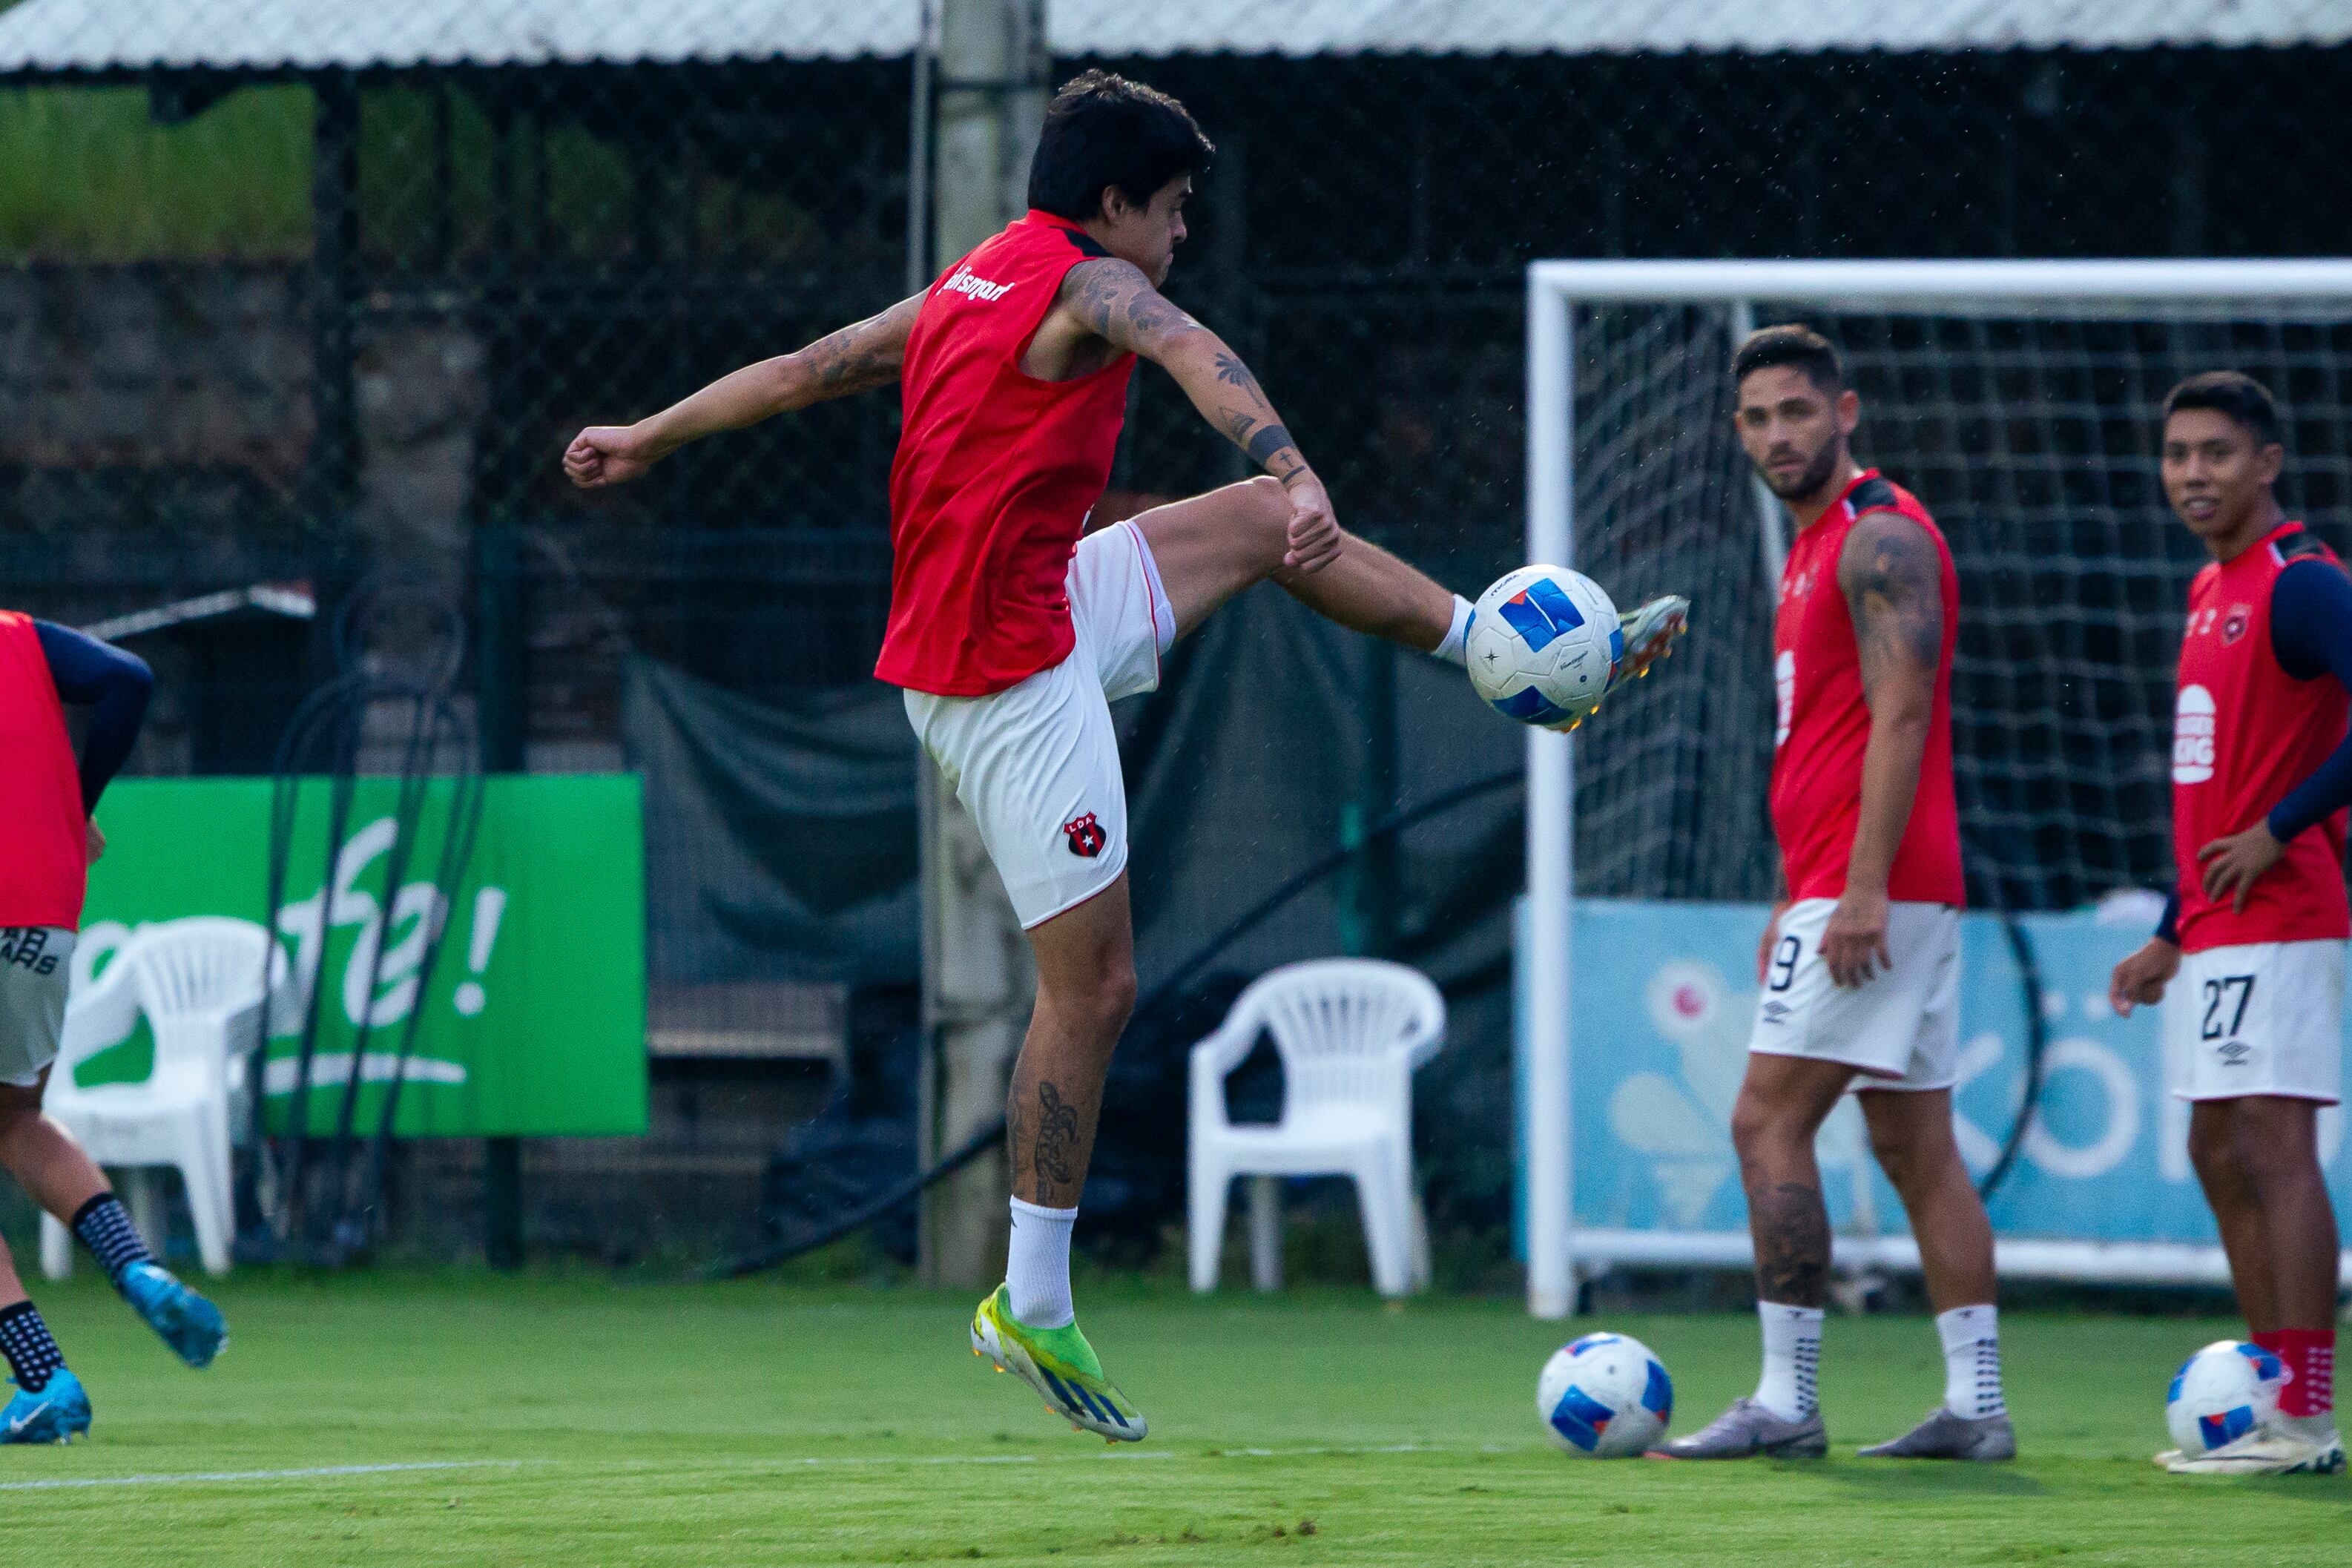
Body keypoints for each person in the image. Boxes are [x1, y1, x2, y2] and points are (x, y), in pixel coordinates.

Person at [566, 70, 1685, 1442]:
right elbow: (1184, 341)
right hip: (1004, 685)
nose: (1179, 235)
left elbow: (810, 369)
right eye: (1170, 209)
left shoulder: (980, 277)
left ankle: (1503, 658)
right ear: (1109, 208)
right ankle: (1028, 1297)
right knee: (1095, 987)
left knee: (1265, 528)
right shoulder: (1088, 288)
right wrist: (1297, 452)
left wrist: (646, 433)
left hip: (1030, 610)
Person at [1655, 326, 2010, 1463]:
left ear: (1843, 411)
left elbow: (1902, 716)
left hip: (1876, 890)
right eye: (1755, 418)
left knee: (1765, 1117)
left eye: (1794, 412)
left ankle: (1784, 1397)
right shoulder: (1810, 547)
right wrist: (1791, 887)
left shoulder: (1877, 538)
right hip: (1851, 886)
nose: (1774, 435)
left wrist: (1854, 891)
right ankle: (1976, 1407)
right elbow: (1824, 737)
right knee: (1914, 1146)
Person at [2109, 371, 2347, 1478]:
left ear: (2265, 463)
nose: (2190, 473)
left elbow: (2265, 791)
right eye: (2175, 454)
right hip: (2217, 919)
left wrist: (2280, 825)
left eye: (2214, 451)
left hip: (2287, 904)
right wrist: (2168, 923)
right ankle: (2265, 1391)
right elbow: (2215, 783)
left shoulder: (2299, 583)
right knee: (2216, 1145)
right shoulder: (2212, 588)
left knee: (2270, 1143)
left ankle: (2303, 1413)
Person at [0, 610, 229, 1445]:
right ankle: (139, 1267)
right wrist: (75, 805)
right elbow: (128, 679)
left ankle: (43, 1380)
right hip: (45, 915)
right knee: (17, 1117)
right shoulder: (16, 633)